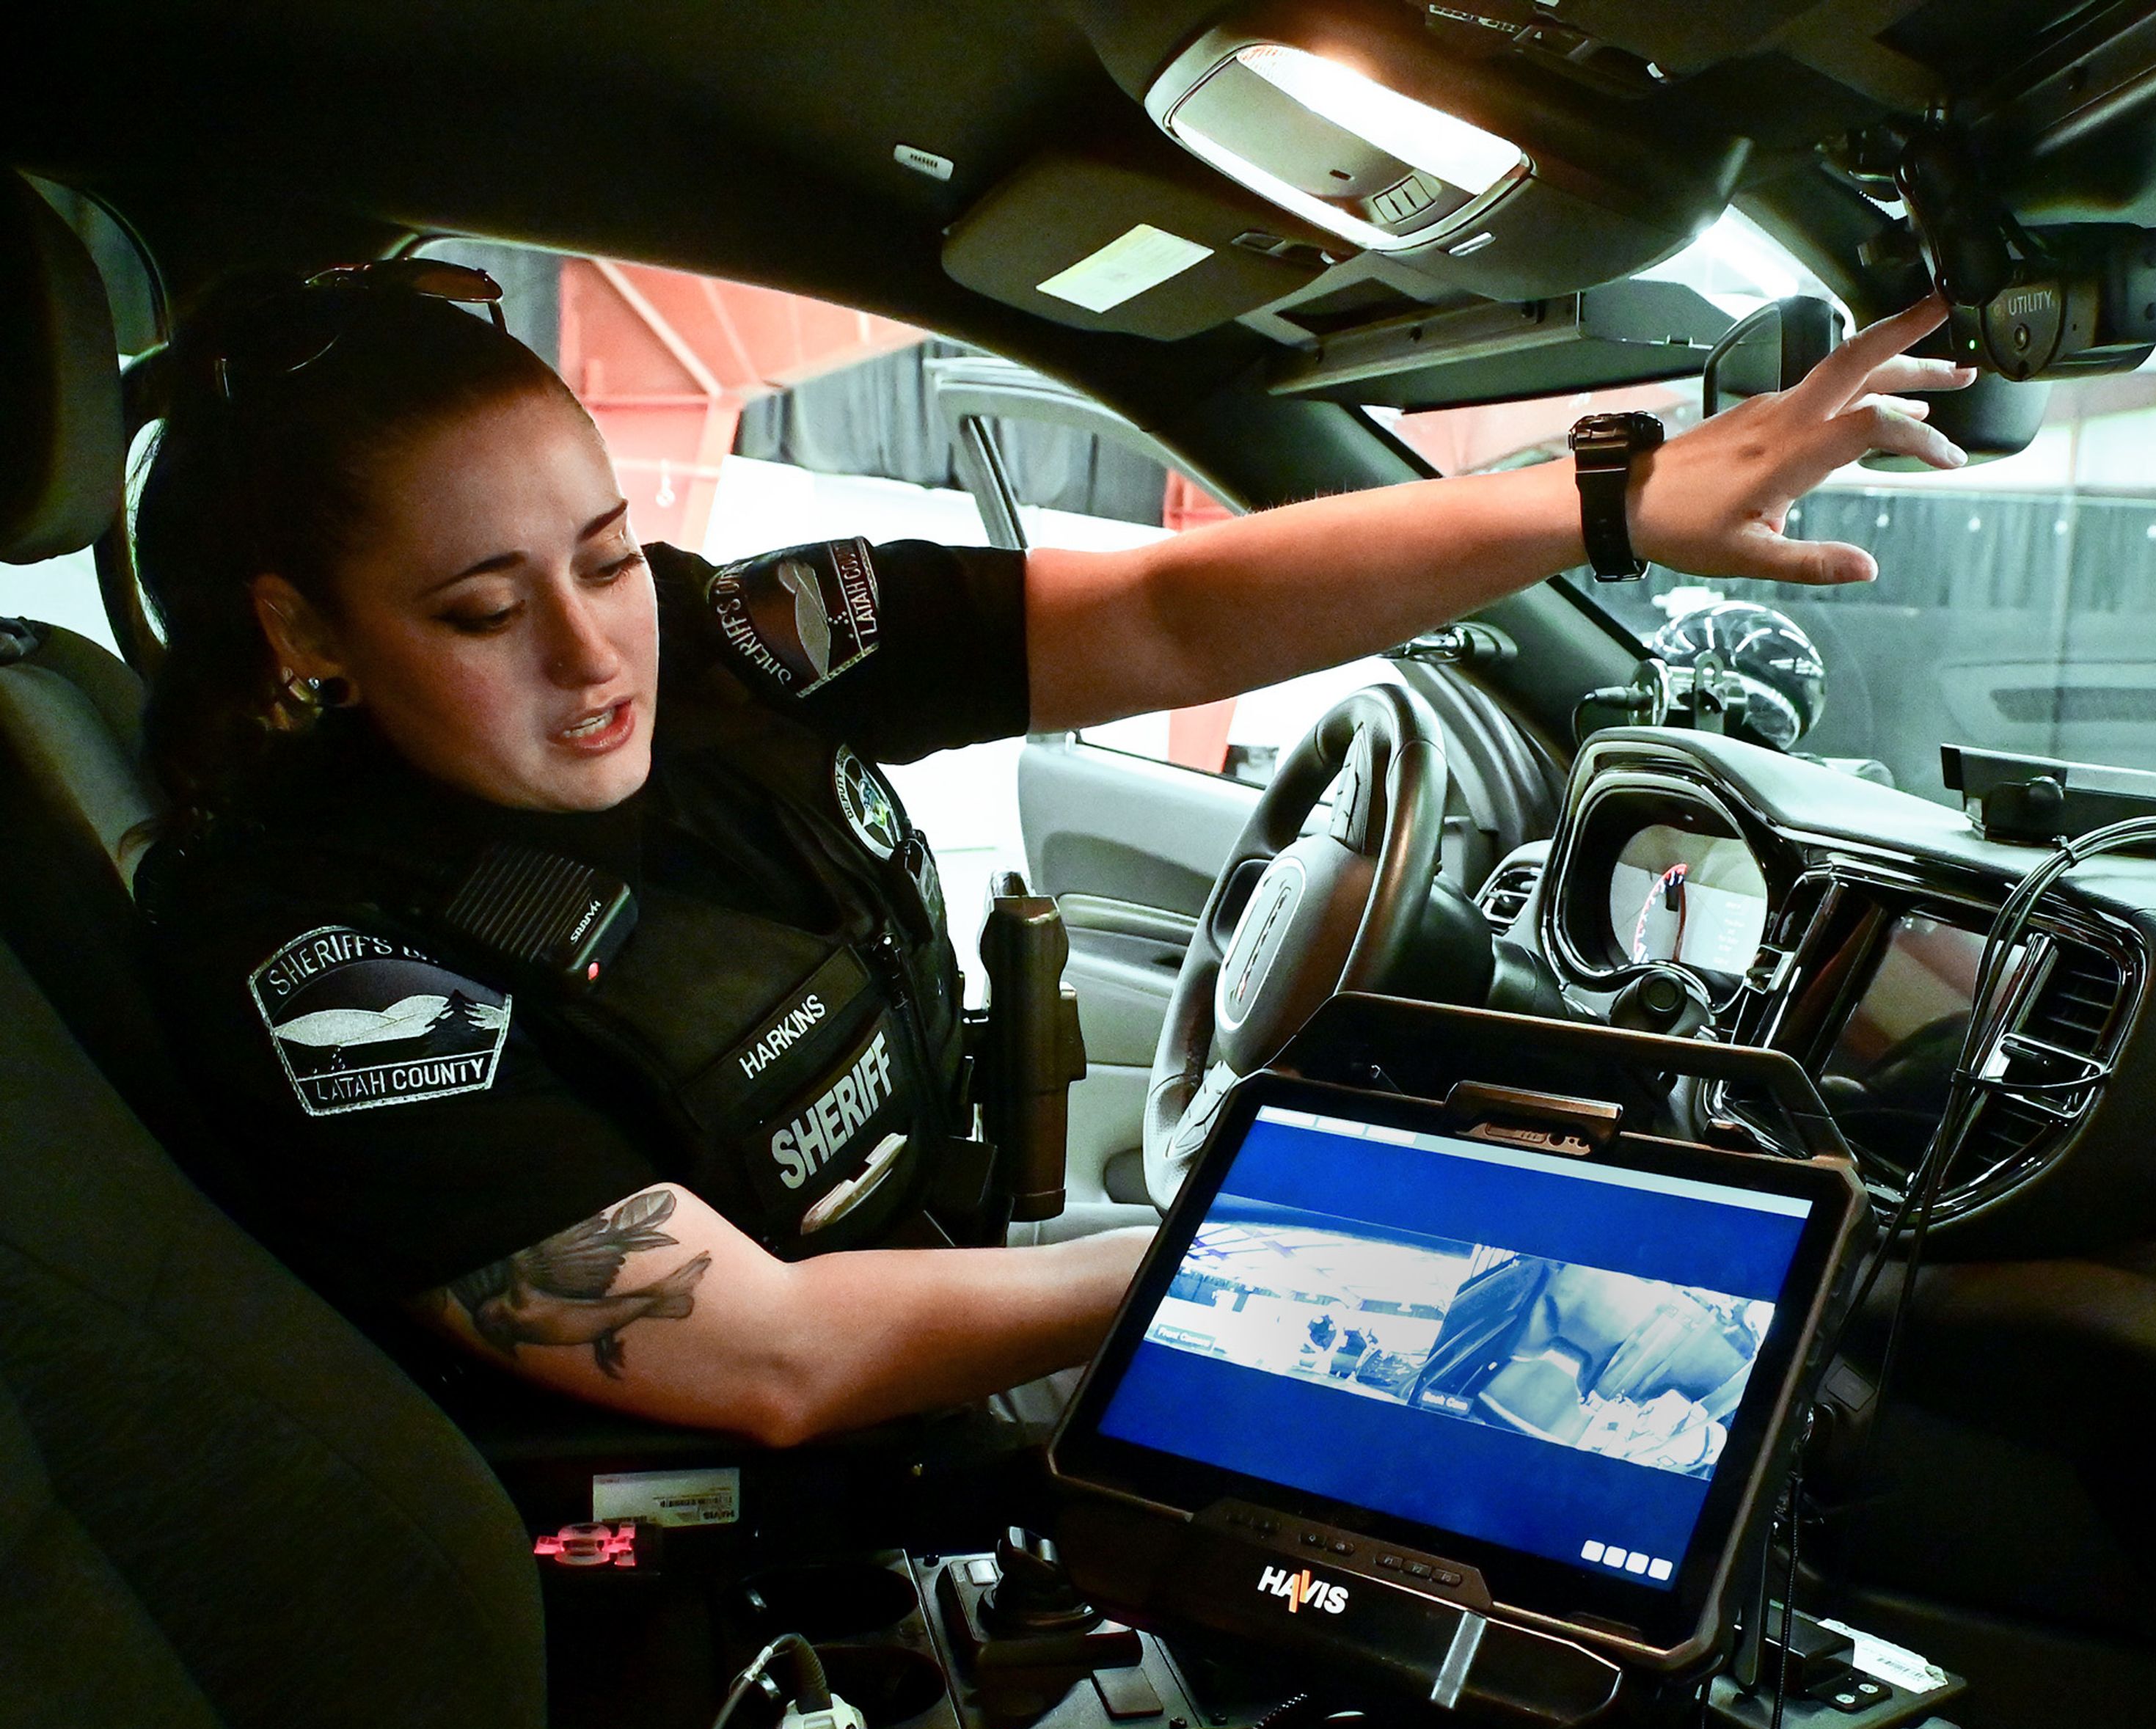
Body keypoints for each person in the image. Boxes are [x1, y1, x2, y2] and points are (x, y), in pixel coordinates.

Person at [131, 261, 1971, 1447]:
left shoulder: (730, 639)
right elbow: (767, 1356)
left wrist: (1611, 502)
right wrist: (1291, 1237)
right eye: (480, 611)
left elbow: (1168, 615)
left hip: (942, 1315)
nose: (596, 652)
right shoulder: (315, 959)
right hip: (761, 1507)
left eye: (607, 557)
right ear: (306, 635)